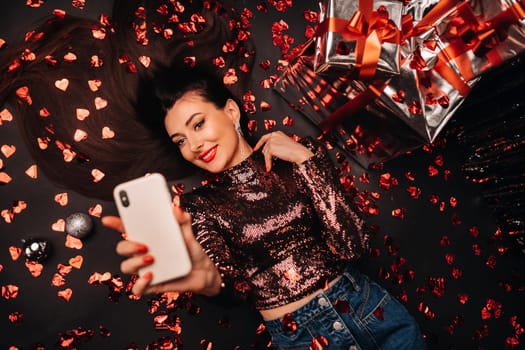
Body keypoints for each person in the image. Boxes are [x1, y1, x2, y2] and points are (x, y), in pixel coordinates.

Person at [102, 67, 428, 350]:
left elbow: (353, 246)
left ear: (231, 111)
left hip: (372, 312)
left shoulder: (298, 158)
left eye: (198, 124)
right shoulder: (199, 206)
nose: (194, 145)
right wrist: (213, 284)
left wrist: (306, 161)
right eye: (180, 140)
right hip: (303, 338)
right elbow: (234, 288)